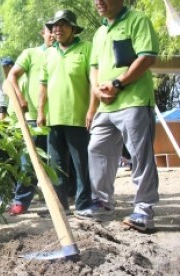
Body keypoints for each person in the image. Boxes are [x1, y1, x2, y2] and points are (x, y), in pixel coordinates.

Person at [75, 0, 159, 233]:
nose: (98, 2)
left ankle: (144, 209)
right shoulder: (100, 32)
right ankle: (103, 204)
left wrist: (117, 84)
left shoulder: (137, 20)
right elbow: (94, 67)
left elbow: (147, 57)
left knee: (140, 154)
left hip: (134, 101)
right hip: (105, 106)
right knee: (96, 149)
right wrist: (95, 90)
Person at [37, 10, 93, 213]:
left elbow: (93, 82)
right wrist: (41, 112)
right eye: (54, 26)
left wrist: (92, 110)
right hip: (53, 118)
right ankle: (60, 206)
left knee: (82, 164)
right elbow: (43, 84)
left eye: (63, 25)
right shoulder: (49, 52)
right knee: (56, 165)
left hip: (79, 117)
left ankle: (84, 204)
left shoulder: (86, 48)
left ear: (73, 29)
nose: (57, 30)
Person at [6, 26, 54, 215]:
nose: (53, 33)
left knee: (57, 162)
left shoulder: (63, 53)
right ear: (42, 33)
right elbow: (12, 76)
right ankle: (21, 201)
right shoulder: (31, 53)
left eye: (56, 29)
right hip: (34, 118)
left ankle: (62, 200)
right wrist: (20, 98)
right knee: (28, 162)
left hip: (59, 117)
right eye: (49, 30)